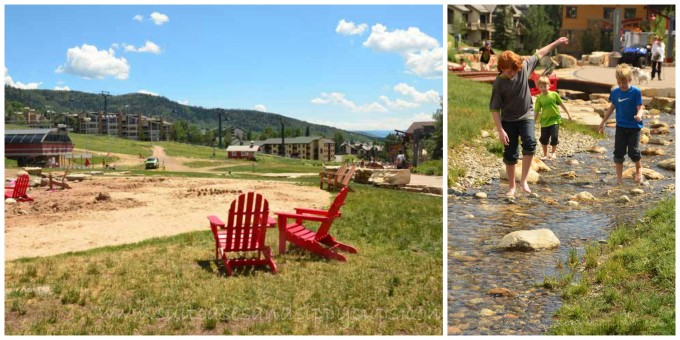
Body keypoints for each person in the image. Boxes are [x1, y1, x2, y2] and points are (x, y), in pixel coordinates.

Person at [490, 37, 569, 196]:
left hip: (526, 115)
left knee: (530, 143)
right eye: (506, 70)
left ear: (517, 67)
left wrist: (557, 42)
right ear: (501, 68)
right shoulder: (499, 83)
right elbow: (494, 109)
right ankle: (512, 186)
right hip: (508, 120)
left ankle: (524, 180)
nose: (510, 73)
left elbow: (539, 53)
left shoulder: (524, 67)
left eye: (513, 70)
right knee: (510, 153)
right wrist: (500, 130)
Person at [598, 64, 644, 185]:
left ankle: (639, 168)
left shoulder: (636, 92)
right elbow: (612, 107)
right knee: (618, 153)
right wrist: (603, 122)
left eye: (624, 82)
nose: (622, 85)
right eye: (619, 82)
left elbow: (640, 107)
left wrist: (639, 115)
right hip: (621, 127)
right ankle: (619, 179)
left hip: (634, 127)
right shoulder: (615, 92)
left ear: (630, 80)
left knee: (633, 152)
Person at [534, 75, 573, 160]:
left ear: (549, 85)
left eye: (545, 86)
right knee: (544, 139)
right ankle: (545, 154)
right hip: (545, 121)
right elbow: (536, 110)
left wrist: (568, 114)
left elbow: (562, 104)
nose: (543, 88)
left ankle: (553, 153)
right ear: (538, 87)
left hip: (555, 120)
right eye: (541, 87)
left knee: (554, 137)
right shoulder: (539, 98)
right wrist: (533, 121)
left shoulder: (554, 94)